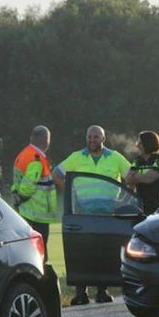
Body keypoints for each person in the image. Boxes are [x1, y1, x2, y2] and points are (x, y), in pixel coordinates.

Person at [54, 125, 132, 305]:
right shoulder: (76, 157)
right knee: (80, 253)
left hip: (108, 214)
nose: (92, 140)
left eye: (96, 137)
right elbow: (56, 174)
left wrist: (124, 201)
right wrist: (70, 195)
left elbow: (131, 178)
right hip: (82, 214)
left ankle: (102, 291)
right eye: (89, 137)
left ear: (103, 139)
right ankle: (81, 293)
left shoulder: (115, 158)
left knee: (103, 252)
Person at [11, 125, 58, 255]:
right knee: (39, 253)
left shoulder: (24, 154)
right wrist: (21, 197)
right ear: (46, 141)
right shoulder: (36, 158)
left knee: (28, 250)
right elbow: (29, 185)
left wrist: (16, 197)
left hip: (26, 212)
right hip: (37, 214)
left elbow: (18, 181)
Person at [125, 130, 159, 214]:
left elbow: (149, 178)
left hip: (158, 205)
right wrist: (142, 177)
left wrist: (135, 176)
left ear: (147, 143)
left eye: (140, 143)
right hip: (141, 205)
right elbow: (128, 180)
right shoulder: (138, 160)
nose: (137, 145)